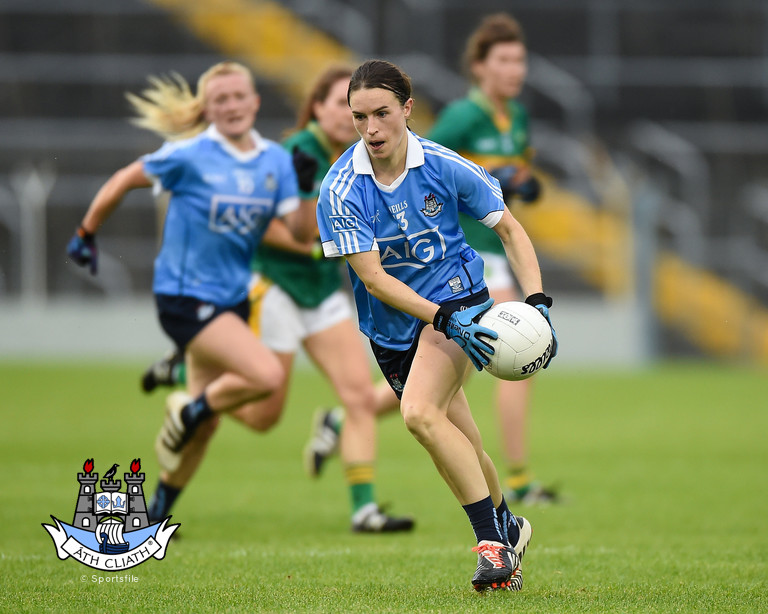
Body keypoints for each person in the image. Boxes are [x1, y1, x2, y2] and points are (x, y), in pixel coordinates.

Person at [137, 66, 414, 533]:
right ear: (318, 107)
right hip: (276, 288)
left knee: (359, 397)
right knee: (263, 415)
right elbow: (262, 224)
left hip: (322, 291)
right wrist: (320, 245)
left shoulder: (359, 154)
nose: (353, 116)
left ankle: (364, 509)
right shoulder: (294, 152)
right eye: (340, 104)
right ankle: (184, 378)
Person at [316, 59, 557, 591]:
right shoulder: (340, 189)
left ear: (407, 108)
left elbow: (511, 230)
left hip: (460, 299)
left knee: (419, 414)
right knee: (462, 443)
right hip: (394, 327)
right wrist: (438, 317)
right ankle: (509, 526)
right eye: (359, 118)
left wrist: (537, 301)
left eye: (382, 113)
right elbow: (375, 281)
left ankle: (492, 550)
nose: (371, 129)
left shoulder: (445, 166)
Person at [66, 61, 318, 524]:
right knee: (265, 376)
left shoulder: (275, 161)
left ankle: (156, 513)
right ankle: (187, 407)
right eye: (220, 99)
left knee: (208, 425)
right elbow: (125, 179)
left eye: (238, 96)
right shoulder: (190, 155)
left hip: (231, 299)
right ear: (207, 109)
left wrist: (304, 189)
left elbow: (302, 236)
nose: (231, 105)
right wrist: (86, 232)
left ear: (254, 101)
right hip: (184, 297)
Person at [427, 13, 557, 504]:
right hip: (463, 258)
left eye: (520, 60)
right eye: (503, 60)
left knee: (455, 369)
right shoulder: (462, 117)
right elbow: (427, 173)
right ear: (479, 67)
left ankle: (352, 410)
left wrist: (519, 182)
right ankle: (520, 480)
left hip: (496, 252)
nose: (515, 69)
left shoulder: (516, 118)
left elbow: (502, 190)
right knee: (518, 347)